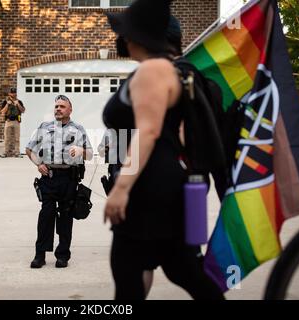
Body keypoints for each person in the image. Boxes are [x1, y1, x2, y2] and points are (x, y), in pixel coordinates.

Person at [103, 0, 225, 300]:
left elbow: (148, 131)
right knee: (182, 269)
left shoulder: (154, 70)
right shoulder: (169, 70)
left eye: (125, 33)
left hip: (150, 187)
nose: (123, 40)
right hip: (163, 185)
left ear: (135, 37)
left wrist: (121, 187)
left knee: (129, 272)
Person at [26, 95, 93, 268]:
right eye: (56, 106)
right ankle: (39, 255)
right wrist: (38, 164)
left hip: (69, 178)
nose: (58, 109)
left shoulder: (78, 129)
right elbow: (29, 149)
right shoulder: (44, 127)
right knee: (46, 215)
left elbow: (91, 153)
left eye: (62, 106)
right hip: (48, 177)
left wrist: (80, 150)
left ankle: (62, 255)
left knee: (65, 217)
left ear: (70, 110)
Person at [1, 87, 25, 158]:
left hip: (16, 121)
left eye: (14, 93)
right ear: (9, 93)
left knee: (17, 138)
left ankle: (17, 152)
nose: (13, 94)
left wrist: (18, 104)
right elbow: (2, 112)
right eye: (12, 93)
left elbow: (23, 110)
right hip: (8, 121)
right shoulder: (5, 101)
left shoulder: (19, 101)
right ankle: (5, 152)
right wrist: (7, 105)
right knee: (7, 138)